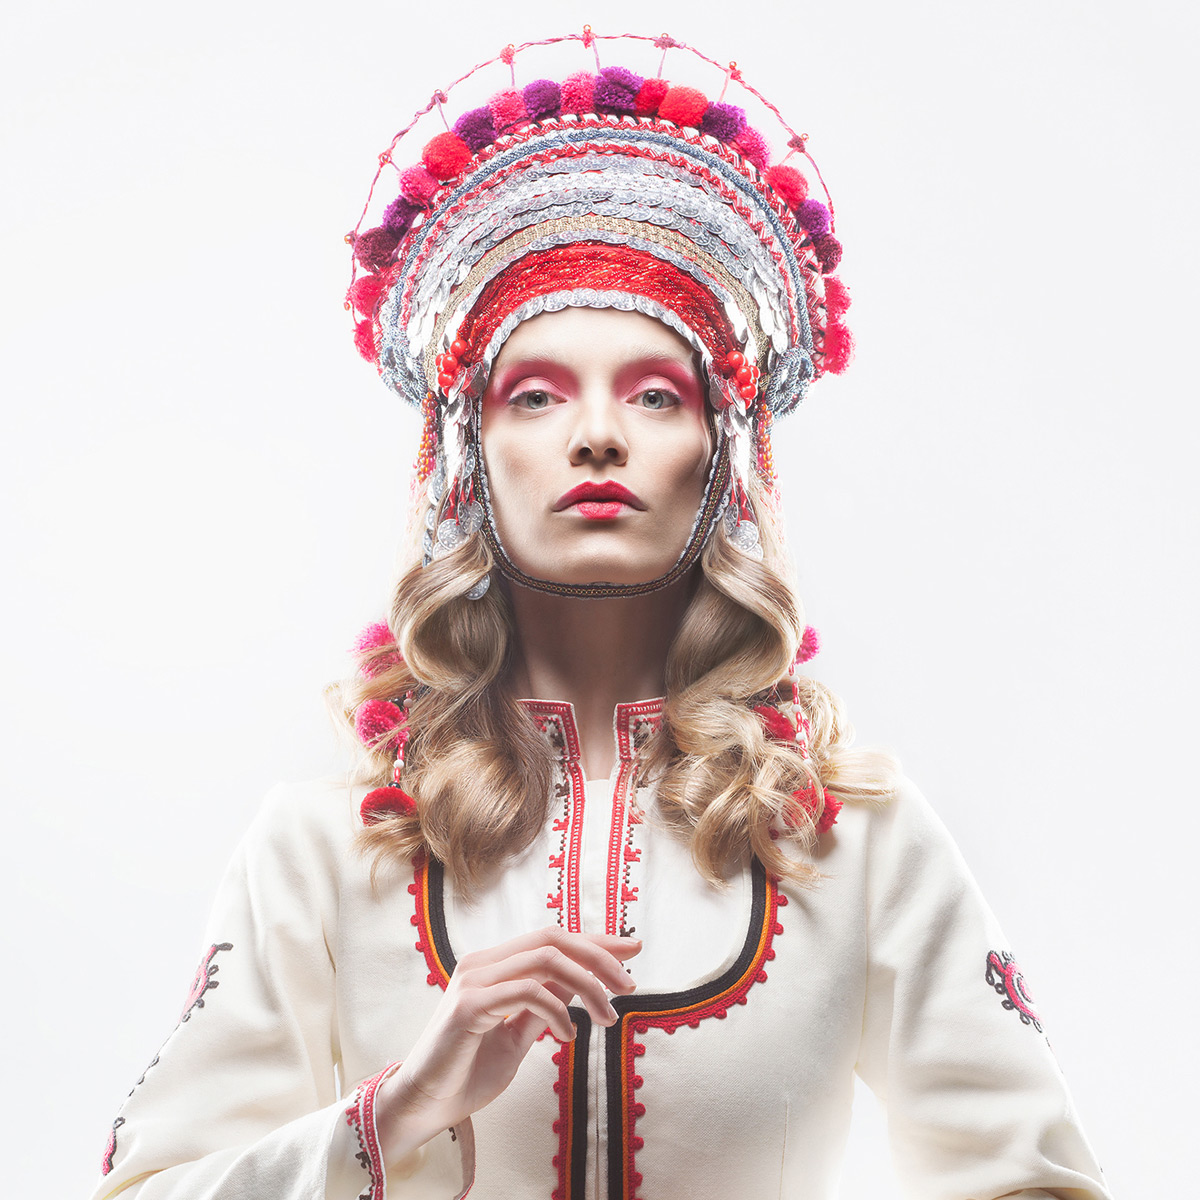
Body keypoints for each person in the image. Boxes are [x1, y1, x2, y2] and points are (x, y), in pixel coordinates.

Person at [90, 31, 1112, 1200]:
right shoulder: (319, 853)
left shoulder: (860, 843)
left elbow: (1041, 1181)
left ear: (724, 456)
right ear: (469, 455)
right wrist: (399, 1108)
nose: (596, 436)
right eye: (535, 395)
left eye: (656, 395)